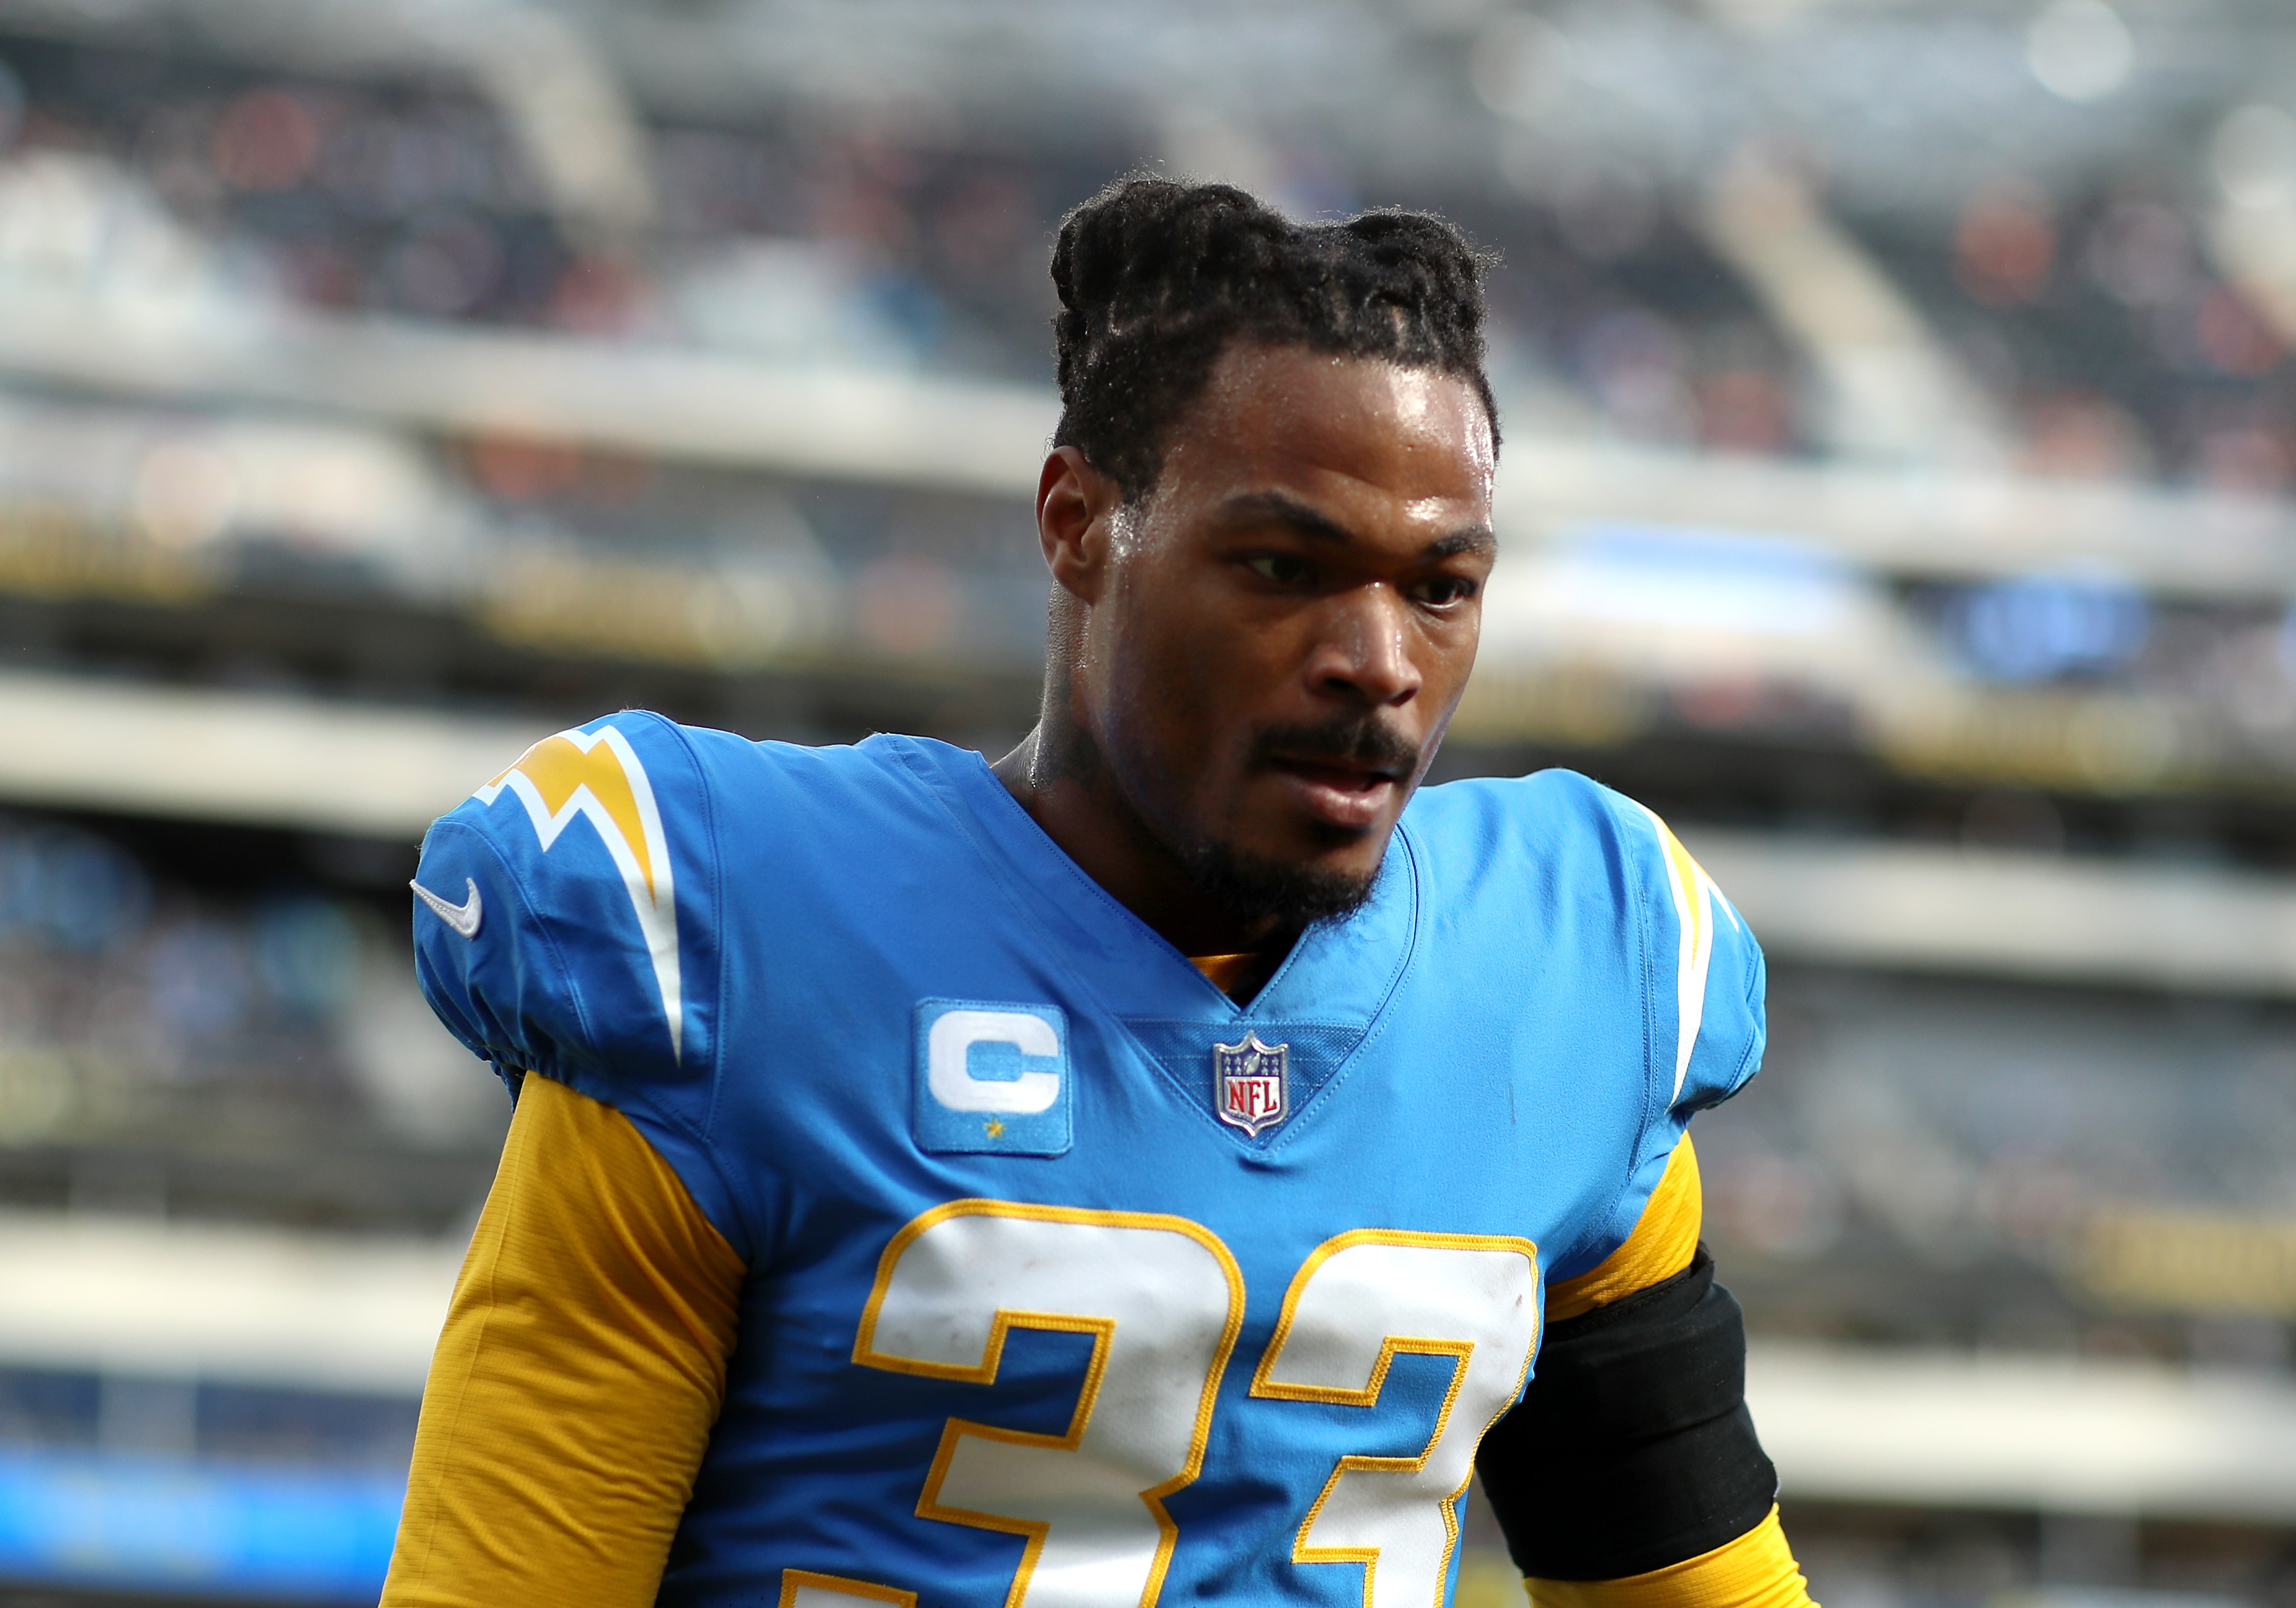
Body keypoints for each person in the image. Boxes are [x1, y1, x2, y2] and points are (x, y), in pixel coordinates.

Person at [386, 179, 1815, 1608]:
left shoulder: (1574, 969)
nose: (1377, 659)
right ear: (1080, 524)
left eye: (1440, 588)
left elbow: (1686, 1568)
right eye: (1283, 566)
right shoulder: (744, 936)